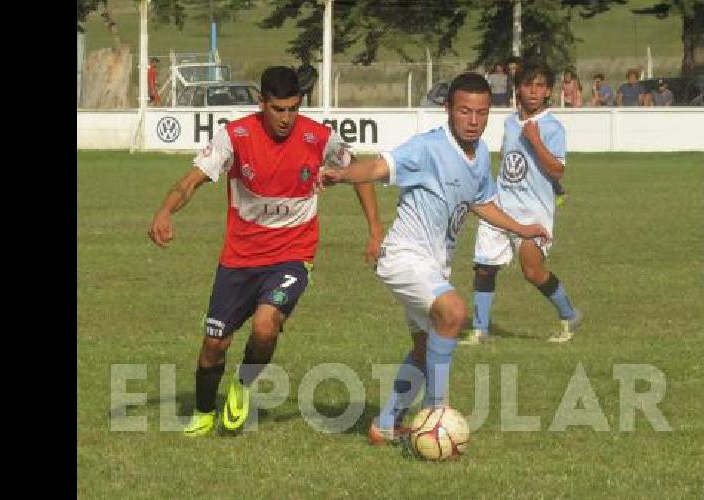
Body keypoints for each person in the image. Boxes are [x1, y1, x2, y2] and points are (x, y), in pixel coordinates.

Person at [147, 66, 382, 437]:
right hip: (239, 259)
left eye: (293, 108)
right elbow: (191, 181)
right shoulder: (235, 136)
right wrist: (164, 210)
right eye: (278, 109)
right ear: (262, 103)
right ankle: (205, 412)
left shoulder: (318, 137)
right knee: (213, 344)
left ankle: (242, 387)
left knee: (265, 324)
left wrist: (374, 229)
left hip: (292, 253)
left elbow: (358, 171)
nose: (287, 118)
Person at [320, 73, 551, 445]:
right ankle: (436, 413)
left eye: (481, 113)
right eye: (464, 111)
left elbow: (483, 202)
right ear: (448, 110)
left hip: (433, 264)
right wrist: (342, 175)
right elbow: (379, 167)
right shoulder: (428, 148)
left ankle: (385, 425)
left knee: (426, 348)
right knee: (454, 313)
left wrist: (522, 229)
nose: (473, 121)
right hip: (404, 258)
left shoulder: (478, 158)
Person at [462, 60, 583, 346]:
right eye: (527, 85)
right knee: (484, 267)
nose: (532, 91)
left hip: (533, 212)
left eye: (539, 86)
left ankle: (569, 313)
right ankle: (479, 330)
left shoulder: (552, 128)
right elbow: (509, 161)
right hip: (500, 205)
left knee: (531, 270)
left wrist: (536, 141)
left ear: (548, 92)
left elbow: (557, 169)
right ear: (517, 89)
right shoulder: (509, 123)